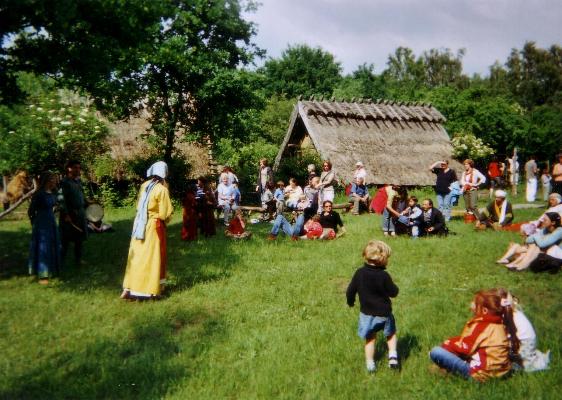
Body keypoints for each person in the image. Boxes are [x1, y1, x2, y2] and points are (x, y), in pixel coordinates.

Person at [429, 289, 511, 381]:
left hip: (481, 375)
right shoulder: (500, 324)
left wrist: (447, 345)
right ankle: (444, 369)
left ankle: (447, 370)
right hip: (501, 373)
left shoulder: (483, 325)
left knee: (436, 352)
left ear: (484, 310)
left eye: (475, 304)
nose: (472, 306)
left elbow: (466, 348)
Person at [121, 161, 173, 300]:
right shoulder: (162, 189)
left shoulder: (144, 185)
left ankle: (130, 287)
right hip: (153, 226)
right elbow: (165, 213)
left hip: (139, 224)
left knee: (137, 255)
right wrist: (165, 219)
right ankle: (150, 290)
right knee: (152, 256)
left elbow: (139, 206)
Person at [346, 240, 400, 373]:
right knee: (391, 334)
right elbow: (393, 292)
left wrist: (350, 301)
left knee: (370, 339)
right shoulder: (384, 275)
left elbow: (350, 291)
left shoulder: (359, 273)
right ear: (382, 259)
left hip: (367, 314)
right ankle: (392, 355)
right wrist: (394, 288)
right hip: (384, 314)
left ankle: (370, 364)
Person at [497, 289, 550, 372]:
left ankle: (520, 364)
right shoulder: (512, 311)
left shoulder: (506, 316)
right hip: (528, 343)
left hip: (523, 344)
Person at [28, 172, 61, 284]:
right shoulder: (39, 194)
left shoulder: (52, 193)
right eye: (53, 179)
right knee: (43, 247)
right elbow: (31, 211)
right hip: (41, 224)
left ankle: (51, 270)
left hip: (51, 221)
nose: (55, 181)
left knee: (52, 245)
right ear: (47, 180)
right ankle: (43, 275)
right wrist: (35, 224)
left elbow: (56, 205)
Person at [58, 160, 88, 265]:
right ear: (69, 168)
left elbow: (80, 196)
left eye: (79, 168)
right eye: (75, 167)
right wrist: (66, 214)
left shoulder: (78, 181)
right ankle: (60, 262)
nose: (78, 170)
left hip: (80, 214)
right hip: (69, 215)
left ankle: (78, 260)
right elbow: (61, 199)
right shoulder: (64, 183)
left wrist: (88, 202)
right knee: (65, 240)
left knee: (79, 238)